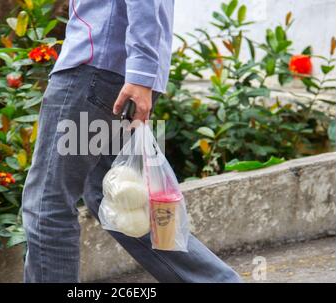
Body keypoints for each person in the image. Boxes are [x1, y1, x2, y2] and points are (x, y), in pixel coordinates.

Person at [22, 0, 242, 283]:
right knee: (115, 196)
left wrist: (140, 73)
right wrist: (142, 73)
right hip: (112, 73)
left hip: (96, 69)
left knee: (47, 204)